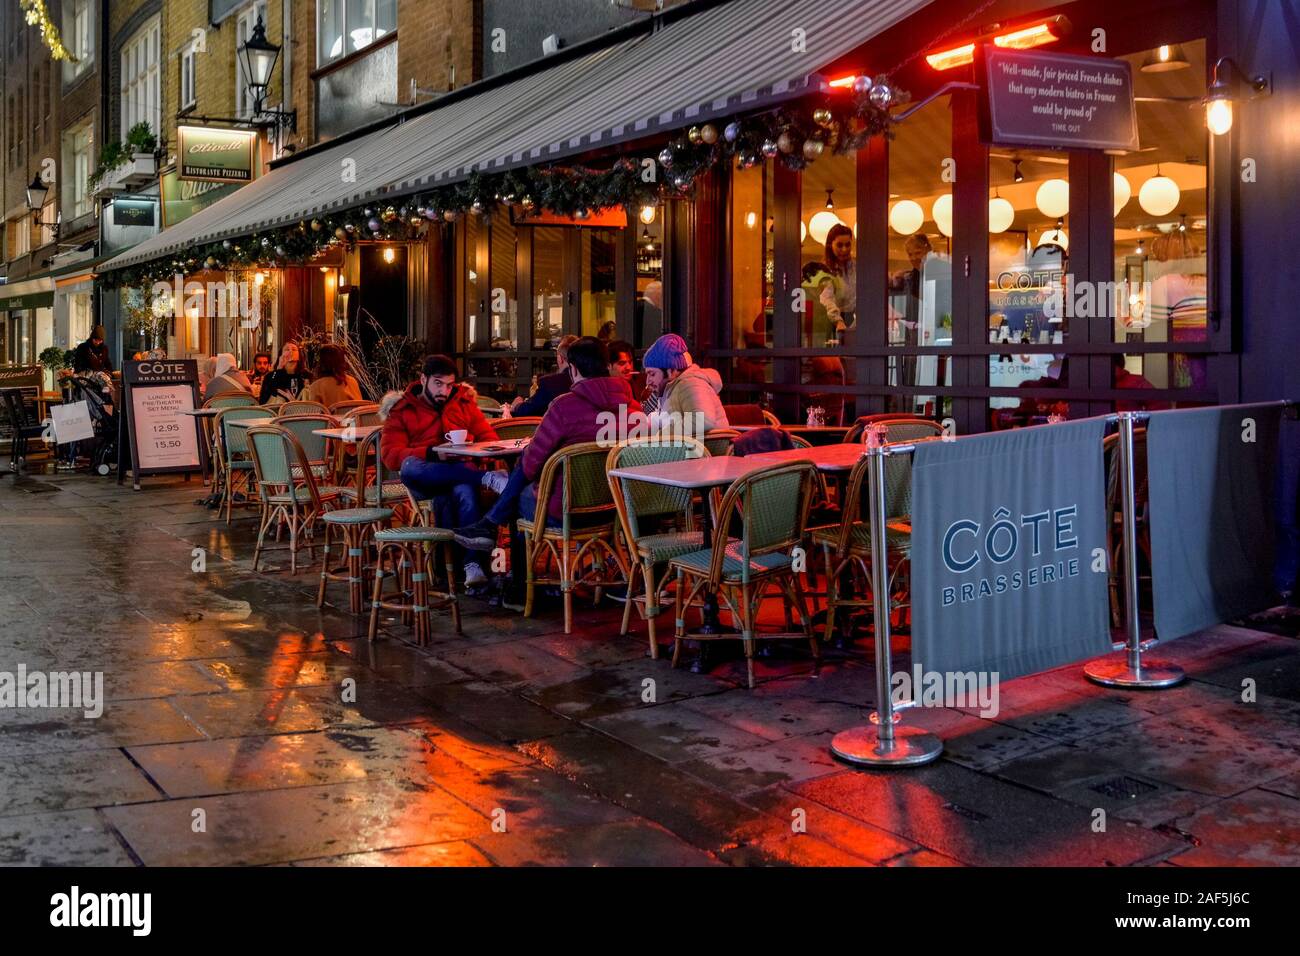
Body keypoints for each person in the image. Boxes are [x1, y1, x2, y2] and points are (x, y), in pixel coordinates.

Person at [454, 337, 644, 549]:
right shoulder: (634, 409)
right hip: (616, 508)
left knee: (519, 484)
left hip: (565, 510)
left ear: (572, 369)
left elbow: (530, 464)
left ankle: (520, 576)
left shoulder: (564, 407)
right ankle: (488, 526)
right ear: (607, 366)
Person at [382, 354, 504, 587]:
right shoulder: (403, 409)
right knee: (409, 466)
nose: (444, 391)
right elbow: (390, 456)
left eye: (449, 385)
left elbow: (490, 439)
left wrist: (469, 446)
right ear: (423, 379)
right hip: (425, 479)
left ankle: (471, 565)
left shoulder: (463, 403)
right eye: (438, 383)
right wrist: (432, 453)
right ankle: (486, 478)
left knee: (464, 490)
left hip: (458, 472)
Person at [641, 333, 728, 437]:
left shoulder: (691, 384)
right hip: (691, 447)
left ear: (671, 370)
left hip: (704, 449)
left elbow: (703, 420)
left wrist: (661, 436)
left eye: (652, 374)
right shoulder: (672, 387)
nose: (648, 381)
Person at [511, 334, 578, 417]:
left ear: (560, 358)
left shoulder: (550, 383)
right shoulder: (591, 381)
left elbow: (529, 410)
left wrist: (517, 406)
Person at [822, 223, 857, 332]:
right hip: (832, 322)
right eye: (839, 245)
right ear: (830, 245)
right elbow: (827, 299)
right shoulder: (825, 270)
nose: (844, 249)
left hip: (854, 319)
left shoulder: (857, 267)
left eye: (848, 244)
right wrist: (838, 321)